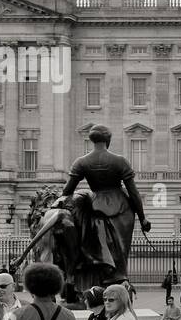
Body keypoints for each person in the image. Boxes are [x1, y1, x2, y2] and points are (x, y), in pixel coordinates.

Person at [56, 124, 151, 289]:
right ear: (108, 140)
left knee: (101, 245)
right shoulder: (120, 161)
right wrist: (143, 218)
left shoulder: (81, 162)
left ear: (91, 140)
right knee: (121, 248)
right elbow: (133, 193)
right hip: (122, 207)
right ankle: (120, 278)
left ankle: (97, 278)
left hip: (96, 207)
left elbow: (66, 192)